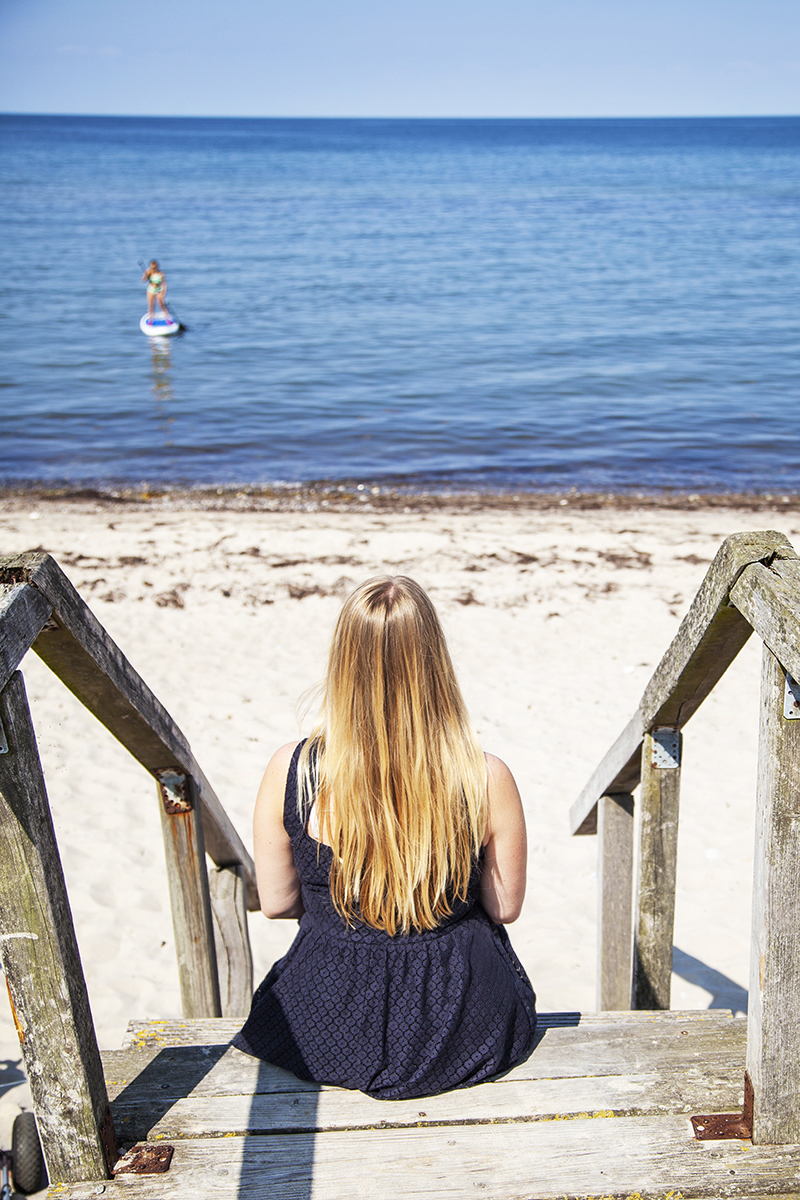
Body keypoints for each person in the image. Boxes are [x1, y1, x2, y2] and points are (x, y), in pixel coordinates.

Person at [233, 576, 537, 1100]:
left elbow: (278, 903)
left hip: (322, 1021)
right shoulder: (483, 777)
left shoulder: (294, 770)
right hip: (462, 1022)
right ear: (435, 663)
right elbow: (504, 905)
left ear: (342, 662)